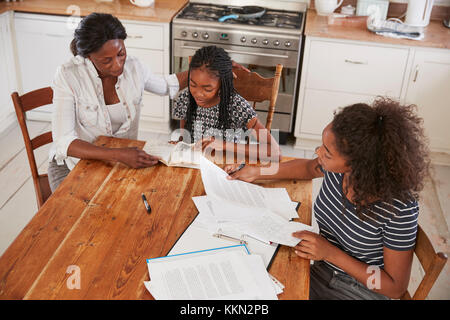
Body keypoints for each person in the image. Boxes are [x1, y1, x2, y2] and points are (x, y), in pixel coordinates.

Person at [225, 98, 430, 300]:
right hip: (321, 272)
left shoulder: (399, 210)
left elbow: (394, 288)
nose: (318, 152)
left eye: (327, 153)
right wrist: (256, 172)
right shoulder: (338, 171)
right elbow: (308, 168)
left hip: (360, 291)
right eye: (322, 145)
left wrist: (329, 253)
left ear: (360, 164)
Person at [48, 13, 247, 192]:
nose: (117, 65)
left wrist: (213, 68)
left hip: (119, 163)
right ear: (88, 57)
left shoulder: (135, 67)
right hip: (75, 166)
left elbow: (165, 85)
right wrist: (118, 154)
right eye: (106, 61)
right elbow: (64, 143)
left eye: (120, 54)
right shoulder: (68, 75)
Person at [172, 45, 280, 162]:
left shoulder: (236, 106)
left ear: (222, 85)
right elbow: (184, 137)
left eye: (207, 89)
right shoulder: (186, 98)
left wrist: (223, 145)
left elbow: (275, 152)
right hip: (192, 163)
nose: (197, 94)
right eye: (193, 85)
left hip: (224, 166)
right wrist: (180, 143)